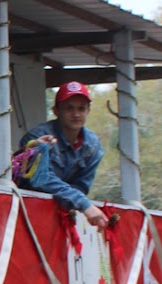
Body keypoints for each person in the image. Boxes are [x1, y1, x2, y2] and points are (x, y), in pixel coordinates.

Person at [12, 82, 108, 230]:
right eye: (69, 108)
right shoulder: (38, 136)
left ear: (88, 111)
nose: (76, 114)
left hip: (58, 216)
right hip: (23, 213)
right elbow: (40, 180)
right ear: (56, 111)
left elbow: (81, 185)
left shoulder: (93, 145)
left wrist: (75, 203)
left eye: (81, 108)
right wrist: (83, 204)